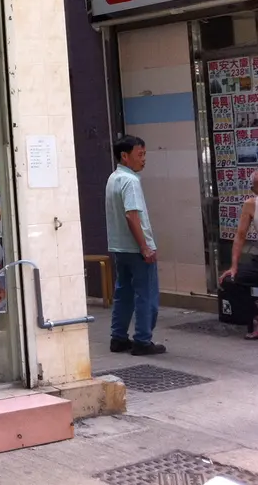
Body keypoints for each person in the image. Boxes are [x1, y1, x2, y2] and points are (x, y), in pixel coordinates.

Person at [105, 135, 166, 355]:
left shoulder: (113, 178)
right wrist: (145, 246)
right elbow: (132, 216)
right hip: (136, 247)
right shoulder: (130, 181)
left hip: (119, 247)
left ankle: (118, 337)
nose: (144, 159)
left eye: (144, 154)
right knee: (146, 295)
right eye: (140, 154)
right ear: (125, 155)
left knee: (123, 292)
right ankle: (142, 340)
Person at [218, 170, 258, 341]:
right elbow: (240, 236)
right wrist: (233, 266)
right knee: (229, 281)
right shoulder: (250, 205)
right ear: (254, 190)